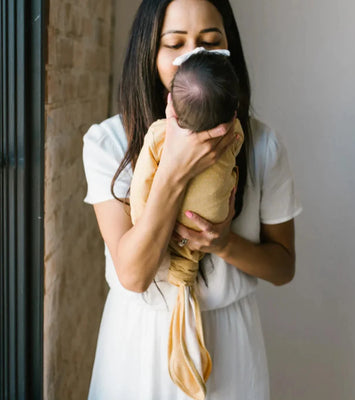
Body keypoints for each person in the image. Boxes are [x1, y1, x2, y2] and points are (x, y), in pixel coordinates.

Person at [82, 0, 303, 399]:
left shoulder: (261, 144)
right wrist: (175, 167)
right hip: (136, 347)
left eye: (210, 41)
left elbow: (283, 265)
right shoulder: (110, 143)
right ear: (150, 53)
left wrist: (223, 243)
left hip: (230, 349)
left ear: (229, 50)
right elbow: (133, 275)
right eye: (175, 43)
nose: (193, 55)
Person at [130, 49, 244, 400]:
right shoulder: (233, 134)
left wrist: (144, 219)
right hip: (210, 216)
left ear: (170, 106)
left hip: (172, 235)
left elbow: (141, 192)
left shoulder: (160, 135)